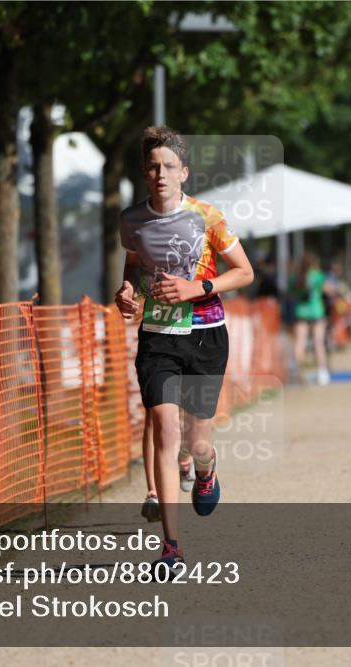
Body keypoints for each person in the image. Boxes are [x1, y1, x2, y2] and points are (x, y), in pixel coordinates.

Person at [114, 126, 254, 573]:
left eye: (168, 167)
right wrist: (126, 291)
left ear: (184, 173)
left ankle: (208, 470)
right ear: (144, 172)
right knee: (165, 431)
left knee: (197, 442)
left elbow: (244, 272)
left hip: (204, 335)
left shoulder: (207, 217)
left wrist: (199, 286)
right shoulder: (131, 220)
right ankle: (170, 548)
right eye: (153, 167)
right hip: (157, 335)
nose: (160, 174)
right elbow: (133, 264)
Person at [291, 251, 331, 385]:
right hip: (317, 312)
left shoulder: (295, 277)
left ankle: (300, 373)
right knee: (318, 342)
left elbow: (290, 293)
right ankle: (322, 372)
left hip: (301, 313)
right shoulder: (318, 275)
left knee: (300, 344)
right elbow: (327, 290)